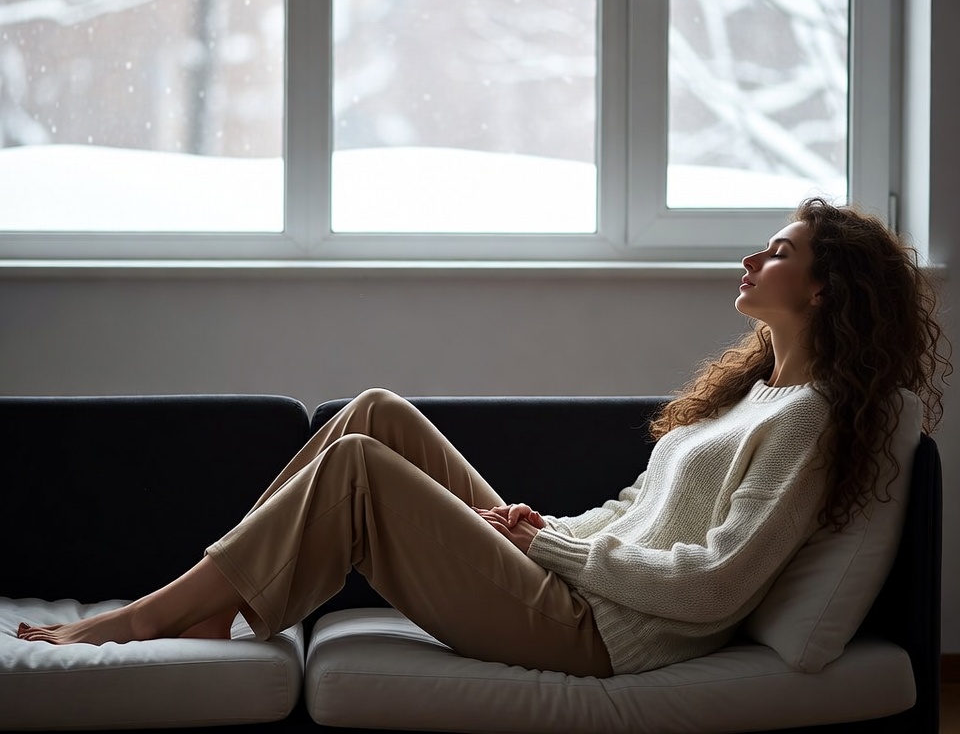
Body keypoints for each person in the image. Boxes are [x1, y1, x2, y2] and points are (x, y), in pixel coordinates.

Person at [17, 198, 950, 677]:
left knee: (357, 468)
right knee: (374, 410)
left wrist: (551, 550)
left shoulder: (809, 417)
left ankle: (144, 617)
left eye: (779, 253)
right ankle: (213, 606)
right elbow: (638, 508)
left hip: (606, 634)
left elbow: (715, 584)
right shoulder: (750, 395)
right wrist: (548, 529)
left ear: (826, 288)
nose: (751, 259)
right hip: (579, 584)